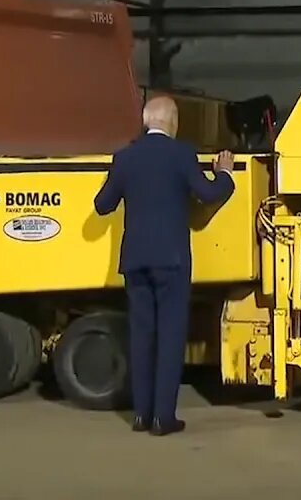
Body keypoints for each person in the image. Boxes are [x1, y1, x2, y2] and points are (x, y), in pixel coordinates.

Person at [93, 95, 237, 436]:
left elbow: (102, 206)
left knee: (142, 337)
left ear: (146, 121)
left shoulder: (125, 157)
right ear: (172, 122)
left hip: (135, 260)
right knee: (170, 338)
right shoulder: (181, 154)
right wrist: (226, 176)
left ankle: (141, 416)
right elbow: (208, 192)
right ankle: (163, 418)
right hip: (170, 261)